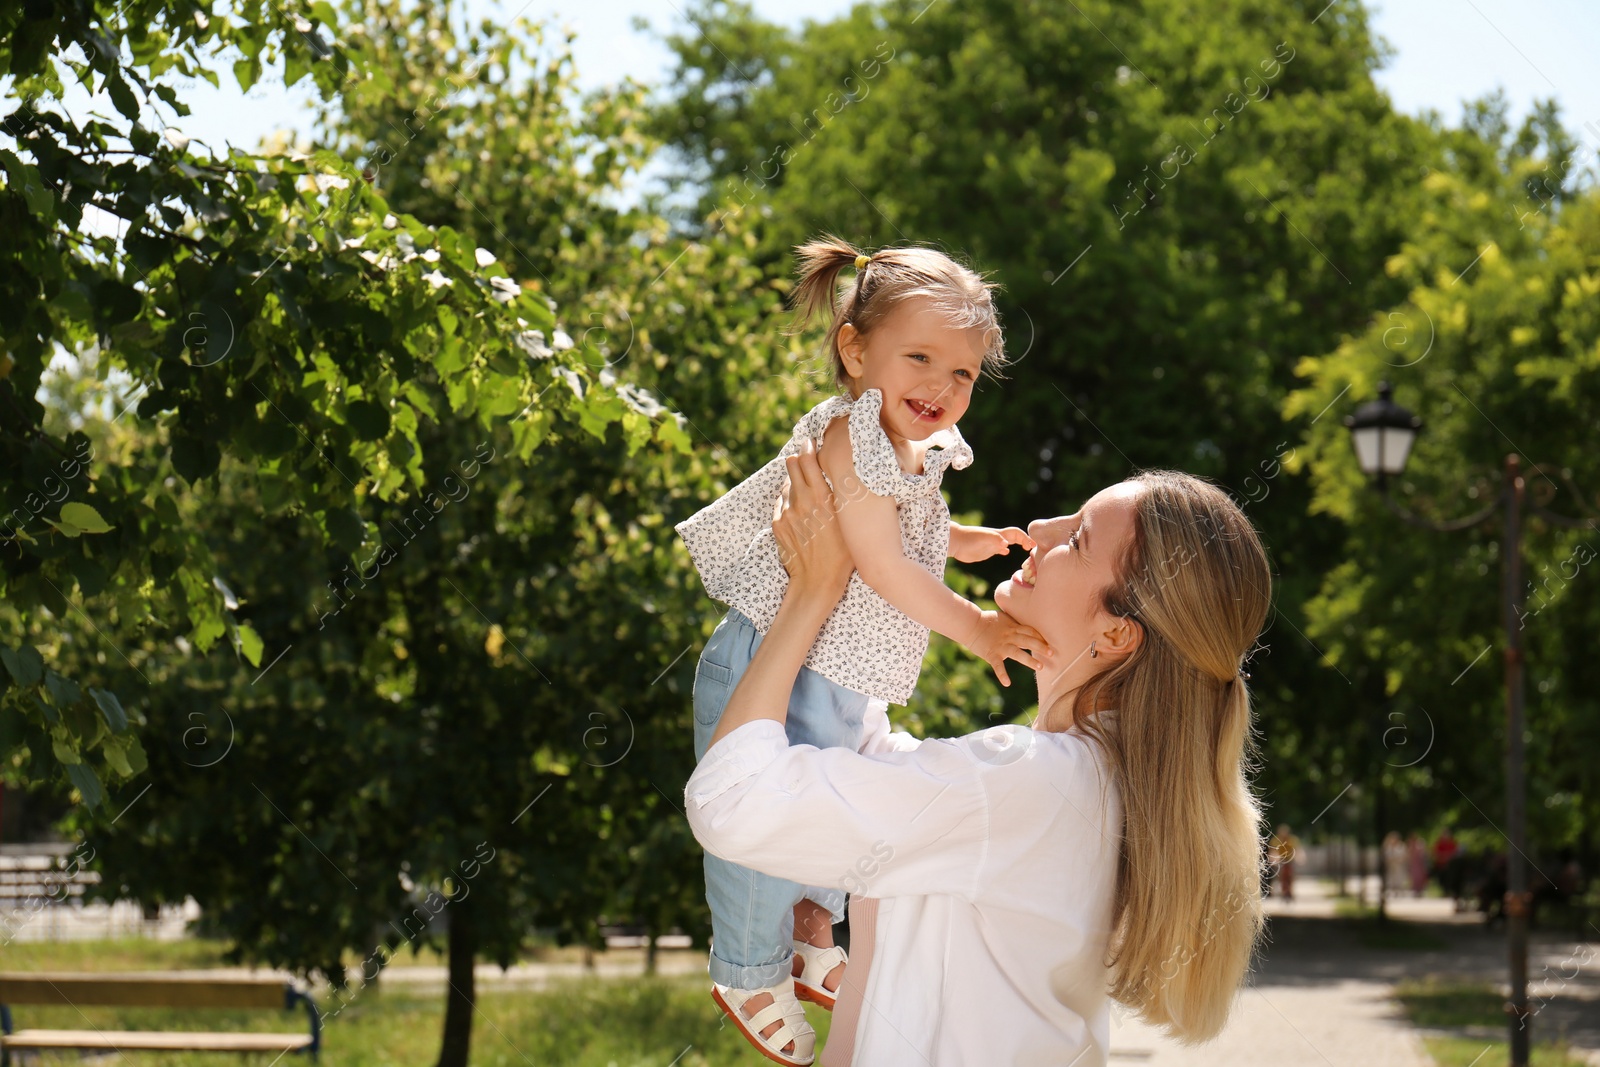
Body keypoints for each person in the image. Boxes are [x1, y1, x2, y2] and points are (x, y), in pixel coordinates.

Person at [686, 445, 1273, 1065]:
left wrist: (810, 594)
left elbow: (731, 801)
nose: (1041, 530)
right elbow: (867, 760)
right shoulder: (1089, 785)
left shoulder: (1026, 783)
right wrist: (868, 559)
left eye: (1077, 540)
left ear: (1116, 634)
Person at [674, 236, 1043, 1063]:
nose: (943, 388)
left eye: (964, 374)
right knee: (762, 822)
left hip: (830, 673)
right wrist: (977, 625)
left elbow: (898, 519)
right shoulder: (849, 435)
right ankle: (746, 966)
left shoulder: (901, 442)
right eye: (922, 358)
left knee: (834, 800)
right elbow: (877, 559)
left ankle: (812, 929)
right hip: (774, 662)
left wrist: (962, 536)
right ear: (855, 348)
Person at [1269, 825, 1300, 901]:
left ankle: (1290, 890)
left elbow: (1297, 850)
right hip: (1281, 860)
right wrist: (1274, 859)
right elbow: (1273, 851)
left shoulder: (1293, 840)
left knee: (1291, 874)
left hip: (1290, 859)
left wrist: (1298, 858)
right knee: (1280, 875)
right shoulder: (1275, 840)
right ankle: (1282, 890)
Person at [1383, 831, 1408, 899]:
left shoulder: (1401, 846)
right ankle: (1392, 891)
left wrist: (1399, 860)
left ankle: (1399, 892)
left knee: (1399, 879)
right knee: (1391, 879)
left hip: (1399, 866)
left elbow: (1404, 856)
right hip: (1391, 866)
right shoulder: (1388, 847)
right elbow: (1386, 857)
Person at [1407, 832, 1429, 896]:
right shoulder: (1411, 844)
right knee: (1414, 876)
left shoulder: (1420, 844)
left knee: (1420, 876)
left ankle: (1420, 889)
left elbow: (1424, 853)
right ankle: (1416, 890)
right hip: (1413, 863)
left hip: (1420, 863)